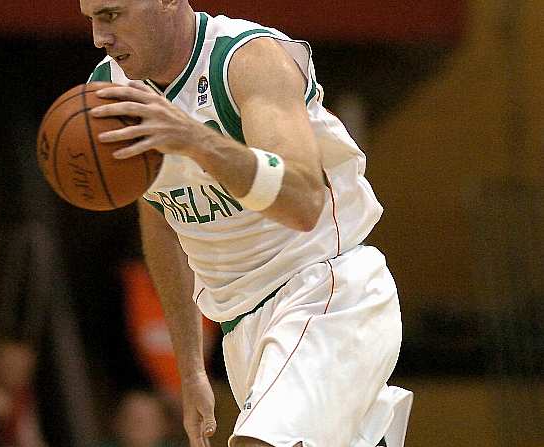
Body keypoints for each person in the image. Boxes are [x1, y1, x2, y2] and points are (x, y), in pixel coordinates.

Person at [80, 1, 413, 447]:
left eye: (111, 15)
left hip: (326, 291)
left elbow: (302, 201)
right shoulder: (108, 90)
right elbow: (160, 216)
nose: (99, 36)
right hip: (239, 324)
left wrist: (196, 140)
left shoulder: (247, 59)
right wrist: (191, 368)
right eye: (92, 18)